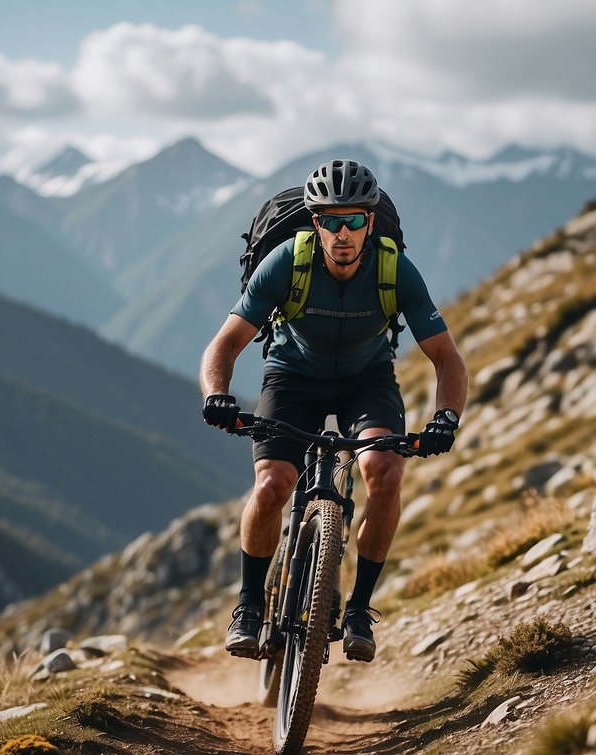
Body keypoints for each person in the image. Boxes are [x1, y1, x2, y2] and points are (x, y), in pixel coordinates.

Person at [200, 159, 468, 662]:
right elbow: (226, 343)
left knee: (384, 472)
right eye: (330, 220)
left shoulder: (393, 269)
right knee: (272, 484)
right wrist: (217, 394)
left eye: (354, 220)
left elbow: (446, 357)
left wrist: (445, 419)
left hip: (367, 381)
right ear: (314, 221)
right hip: (292, 378)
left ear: (370, 222)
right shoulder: (287, 262)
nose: (342, 233)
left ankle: (360, 609)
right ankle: (249, 605)